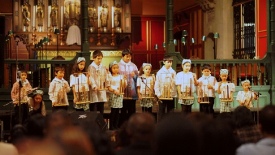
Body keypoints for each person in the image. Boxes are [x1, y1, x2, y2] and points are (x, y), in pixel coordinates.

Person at [118, 49, 139, 125]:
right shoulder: (118, 65)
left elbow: (138, 78)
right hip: (122, 89)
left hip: (132, 89)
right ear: (122, 56)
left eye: (130, 57)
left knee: (132, 108)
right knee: (123, 108)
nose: (129, 58)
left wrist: (135, 76)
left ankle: (132, 125)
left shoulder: (133, 66)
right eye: (127, 57)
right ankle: (122, 125)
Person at [88, 50, 110, 114]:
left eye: (101, 58)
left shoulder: (103, 67)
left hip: (101, 89)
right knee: (94, 109)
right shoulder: (91, 67)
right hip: (94, 90)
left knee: (101, 109)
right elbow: (90, 77)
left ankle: (101, 122)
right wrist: (94, 86)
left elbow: (106, 77)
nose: (100, 60)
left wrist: (107, 85)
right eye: (98, 58)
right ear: (94, 58)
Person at [154, 55, 176, 120]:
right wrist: (158, 93)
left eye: (171, 62)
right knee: (161, 111)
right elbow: (157, 83)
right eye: (168, 62)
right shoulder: (160, 72)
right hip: (162, 94)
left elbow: (175, 82)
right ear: (164, 62)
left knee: (171, 111)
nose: (169, 63)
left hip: (170, 94)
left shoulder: (173, 72)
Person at [108, 61, 126, 130]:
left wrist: (124, 80)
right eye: (114, 68)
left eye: (117, 68)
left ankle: (116, 125)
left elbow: (123, 86)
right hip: (113, 94)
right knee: (113, 111)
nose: (116, 69)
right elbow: (108, 86)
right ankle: (111, 126)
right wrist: (114, 90)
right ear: (111, 68)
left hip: (119, 95)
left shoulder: (120, 76)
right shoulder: (110, 77)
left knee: (118, 111)